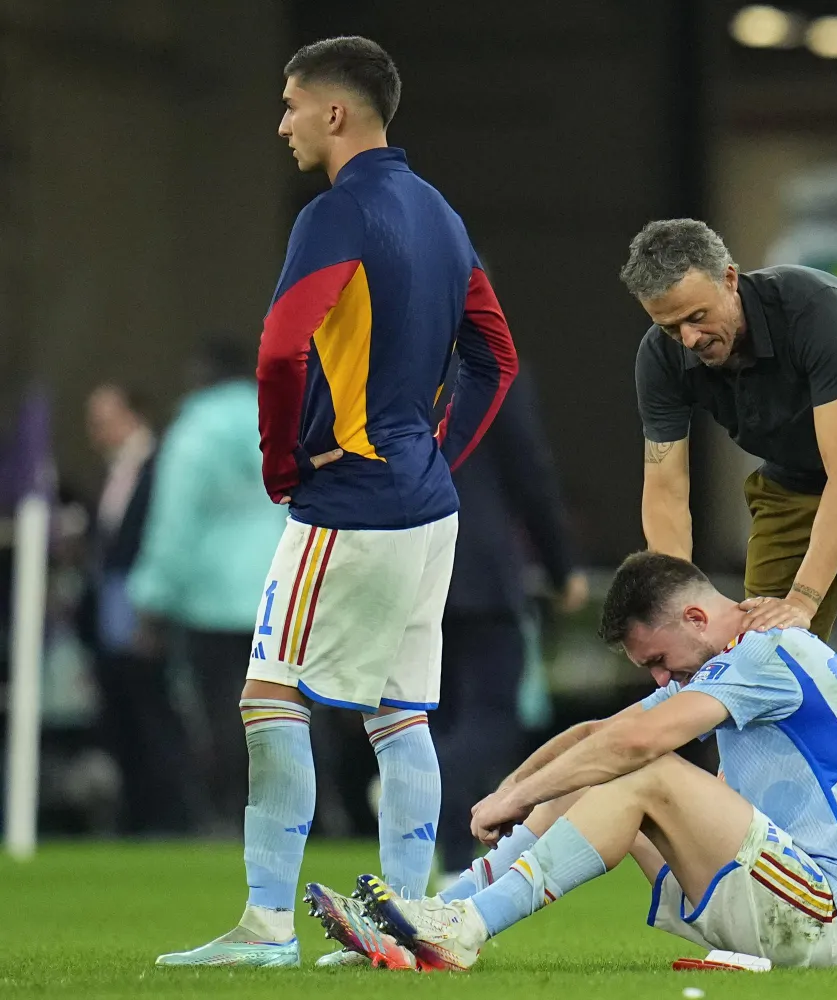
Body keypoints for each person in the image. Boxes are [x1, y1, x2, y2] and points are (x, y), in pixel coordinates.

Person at [157, 36, 518, 968]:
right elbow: (495, 357)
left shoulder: (338, 213)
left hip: (350, 500)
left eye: (289, 105)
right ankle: (405, 922)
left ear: (335, 113)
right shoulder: (439, 214)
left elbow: (280, 349)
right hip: (430, 508)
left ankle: (267, 926)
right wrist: (439, 449)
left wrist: (282, 462)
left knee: (269, 694)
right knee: (401, 717)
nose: (279, 124)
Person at [304, 551, 837, 972]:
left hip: (833, 915)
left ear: (695, 618)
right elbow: (599, 734)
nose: (663, 678)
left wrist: (514, 798)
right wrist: (521, 786)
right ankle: (438, 917)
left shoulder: (770, 651)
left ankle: (465, 929)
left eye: (661, 660)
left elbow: (635, 745)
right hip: (787, 897)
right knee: (603, 765)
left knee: (644, 769)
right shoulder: (728, 658)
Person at [622, 219, 837, 797]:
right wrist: (676, 608)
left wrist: (802, 601)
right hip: (791, 483)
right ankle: (763, 857)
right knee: (754, 665)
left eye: (698, 318)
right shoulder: (661, 358)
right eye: (671, 327)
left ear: (730, 279)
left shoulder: (813, 309)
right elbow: (666, 491)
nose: (689, 339)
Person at [126, 338, 288, 833]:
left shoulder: (194, 430)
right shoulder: (283, 417)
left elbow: (175, 521)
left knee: (223, 717)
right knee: (285, 714)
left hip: (211, 602)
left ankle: (231, 816)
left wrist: (153, 598)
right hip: (282, 591)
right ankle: (301, 815)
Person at [434, 368, 588, 879]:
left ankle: (443, 840)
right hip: (480, 566)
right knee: (492, 713)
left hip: (410, 566)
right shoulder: (489, 372)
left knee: (433, 713)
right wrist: (561, 567)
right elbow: (529, 472)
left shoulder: (386, 363)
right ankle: (441, 792)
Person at [79, 384, 190, 834]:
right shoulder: (116, 472)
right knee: (125, 709)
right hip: (111, 605)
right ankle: (140, 812)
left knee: (153, 710)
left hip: (143, 604)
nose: (95, 432)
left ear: (132, 416)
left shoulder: (162, 464)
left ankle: (171, 813)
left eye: (104, 420)